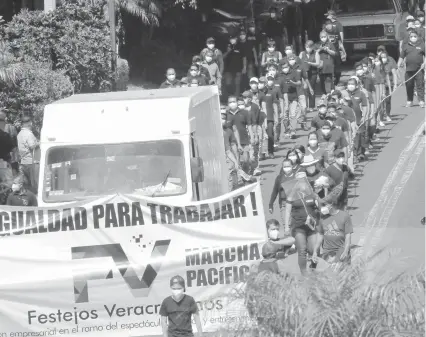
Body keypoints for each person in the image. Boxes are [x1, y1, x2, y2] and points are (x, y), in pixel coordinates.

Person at [282, 171, 320, 275]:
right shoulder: (291, 195)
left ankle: (313, 270)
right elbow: (287, 212)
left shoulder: (312, 193)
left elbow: (320, 206)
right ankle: (304, 274)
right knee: (302, 250)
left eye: (304, 179)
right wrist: (286, 227)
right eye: (300, 179)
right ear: (296, 181)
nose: (302, 181)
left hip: (311, 226)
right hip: (298, 227)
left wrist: (318, 199)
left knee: (314, 250)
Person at [313, 199, 353, 265]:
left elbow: (348, 235)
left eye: (323, 205)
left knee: (343, 273)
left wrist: (346, 251)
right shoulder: (321, 218)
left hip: (341, 250)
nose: (321, 208)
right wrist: (315, 251)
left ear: (331, 204)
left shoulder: (345, 216)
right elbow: (320, 235)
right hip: (327, 252)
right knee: (328, 273)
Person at [226, 96, 254, 175]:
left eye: (234, 101)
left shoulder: (244, 113)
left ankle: (246, 173)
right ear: (228, 104)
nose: (232, 103)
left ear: (237, 102)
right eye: (230, 102)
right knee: (236, 161)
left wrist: (252, 137)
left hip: (244, 140)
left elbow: (249, 126)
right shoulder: (226, 114)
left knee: (246, 160)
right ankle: (241, 177)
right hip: (232, 142)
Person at [398, 29, 425, 108]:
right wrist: (399, 64)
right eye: (411, 36)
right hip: (409, 70)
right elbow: (402, 56)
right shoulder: (406, 46)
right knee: (409, 85)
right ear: (409, 37)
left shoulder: (421, 45)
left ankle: (421, 101)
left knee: (420, 85)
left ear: (417, 37)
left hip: (419, 69)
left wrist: (424, 63)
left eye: (414, 36)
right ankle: (410, 101)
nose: (413, 38)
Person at [347, 77, 369, 162]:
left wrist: (364, 116)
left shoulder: (361, 94)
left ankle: (360, 153)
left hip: (359, 119)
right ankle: (354, 155)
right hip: (349, 120)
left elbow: (365, 106)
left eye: (352, 84)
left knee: (360, 137)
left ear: (356, 85)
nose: (350, 86)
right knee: (352, 138)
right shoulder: (345, 94)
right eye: (349, 84)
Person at [242, 90, 263, 176]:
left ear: (250, 99)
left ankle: (255, 168)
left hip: (254, 129)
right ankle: (247, 169)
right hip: (244, 132)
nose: (244, 99)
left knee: (255, 150)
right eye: (243, 97)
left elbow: (255, 122)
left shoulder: (254, 107)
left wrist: (255, 135)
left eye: (245, 97)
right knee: (247, 152)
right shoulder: (241, 108)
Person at [269, 158, 296, 223]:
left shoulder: (297, 176)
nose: (287, 168)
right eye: (285, 166)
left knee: (295, 225)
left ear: (292, 166)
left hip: (296, 204)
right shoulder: (279, 178)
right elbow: (275, 191)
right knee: (286, 225)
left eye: (288, 166)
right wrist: (270, 205)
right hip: (284, 204)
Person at [260, 75, 280, 158]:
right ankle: (262, 153)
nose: (260, 84)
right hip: (259, 119)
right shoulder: (257, 94)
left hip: (269, 117)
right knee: (260, 136)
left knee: (270, 135)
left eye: (262, 83)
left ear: (265, 83)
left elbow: (275, 105)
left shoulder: (271, 92)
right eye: (259, 83)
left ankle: (270, 151)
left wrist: (276, 118)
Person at [17, 115, 39, 193]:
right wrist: (39, 143)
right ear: (29, 123)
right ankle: (34, 200)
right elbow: (32, 146)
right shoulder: (29, 134)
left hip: (23, 162)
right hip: (31, 162)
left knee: (27, 184)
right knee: (34, 184)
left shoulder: (19, 134)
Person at [222, 105, 241, 190]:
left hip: (227, 158)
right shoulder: (223, 132)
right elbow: (228, 151)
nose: (223, 120)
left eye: (224, 118)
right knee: (230, 180)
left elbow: (232, 147)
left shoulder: (228, 131)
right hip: (225, 159)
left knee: (232, 179)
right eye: (221, 118)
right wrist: (235, 162)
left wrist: (236, 160)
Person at [300, 40, 320, 111]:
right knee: (305, 89)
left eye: (309, 47)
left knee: (311, 89)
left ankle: (312, 106)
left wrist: (310, 63)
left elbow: (318, 64)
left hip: (313, 72)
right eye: (306, 47)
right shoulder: (302, 53)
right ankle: (305, 106)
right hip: (304, 73)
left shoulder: (316, 53)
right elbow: (299, 63)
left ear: (312, 47)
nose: (308, 48)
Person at [223, 35, 246, 100]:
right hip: (228, 70)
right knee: (228, 84)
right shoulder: (226, 46)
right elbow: (222, 57)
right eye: (231, 39)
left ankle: (236, 98)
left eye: (234, 38)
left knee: (237, 84)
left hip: (238, 69)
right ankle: (229, 97)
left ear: (236, 39)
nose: (232, 40)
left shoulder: (240, 46)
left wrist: (244, 67)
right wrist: (228, 51)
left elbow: (244, 58)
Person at [317, 31, 337, 95]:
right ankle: (324, 95)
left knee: (329, 80)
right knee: (322, 81)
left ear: (327, 37)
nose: (323, 38)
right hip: (321, 67)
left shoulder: (330, 44)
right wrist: (320, 49)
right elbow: (314, 53)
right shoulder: (317, 44)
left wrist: (328, 50)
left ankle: (330, 94)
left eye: (324, 37)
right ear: (320, 37)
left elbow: (334, 53)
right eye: (322, 37)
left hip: (329, 66)